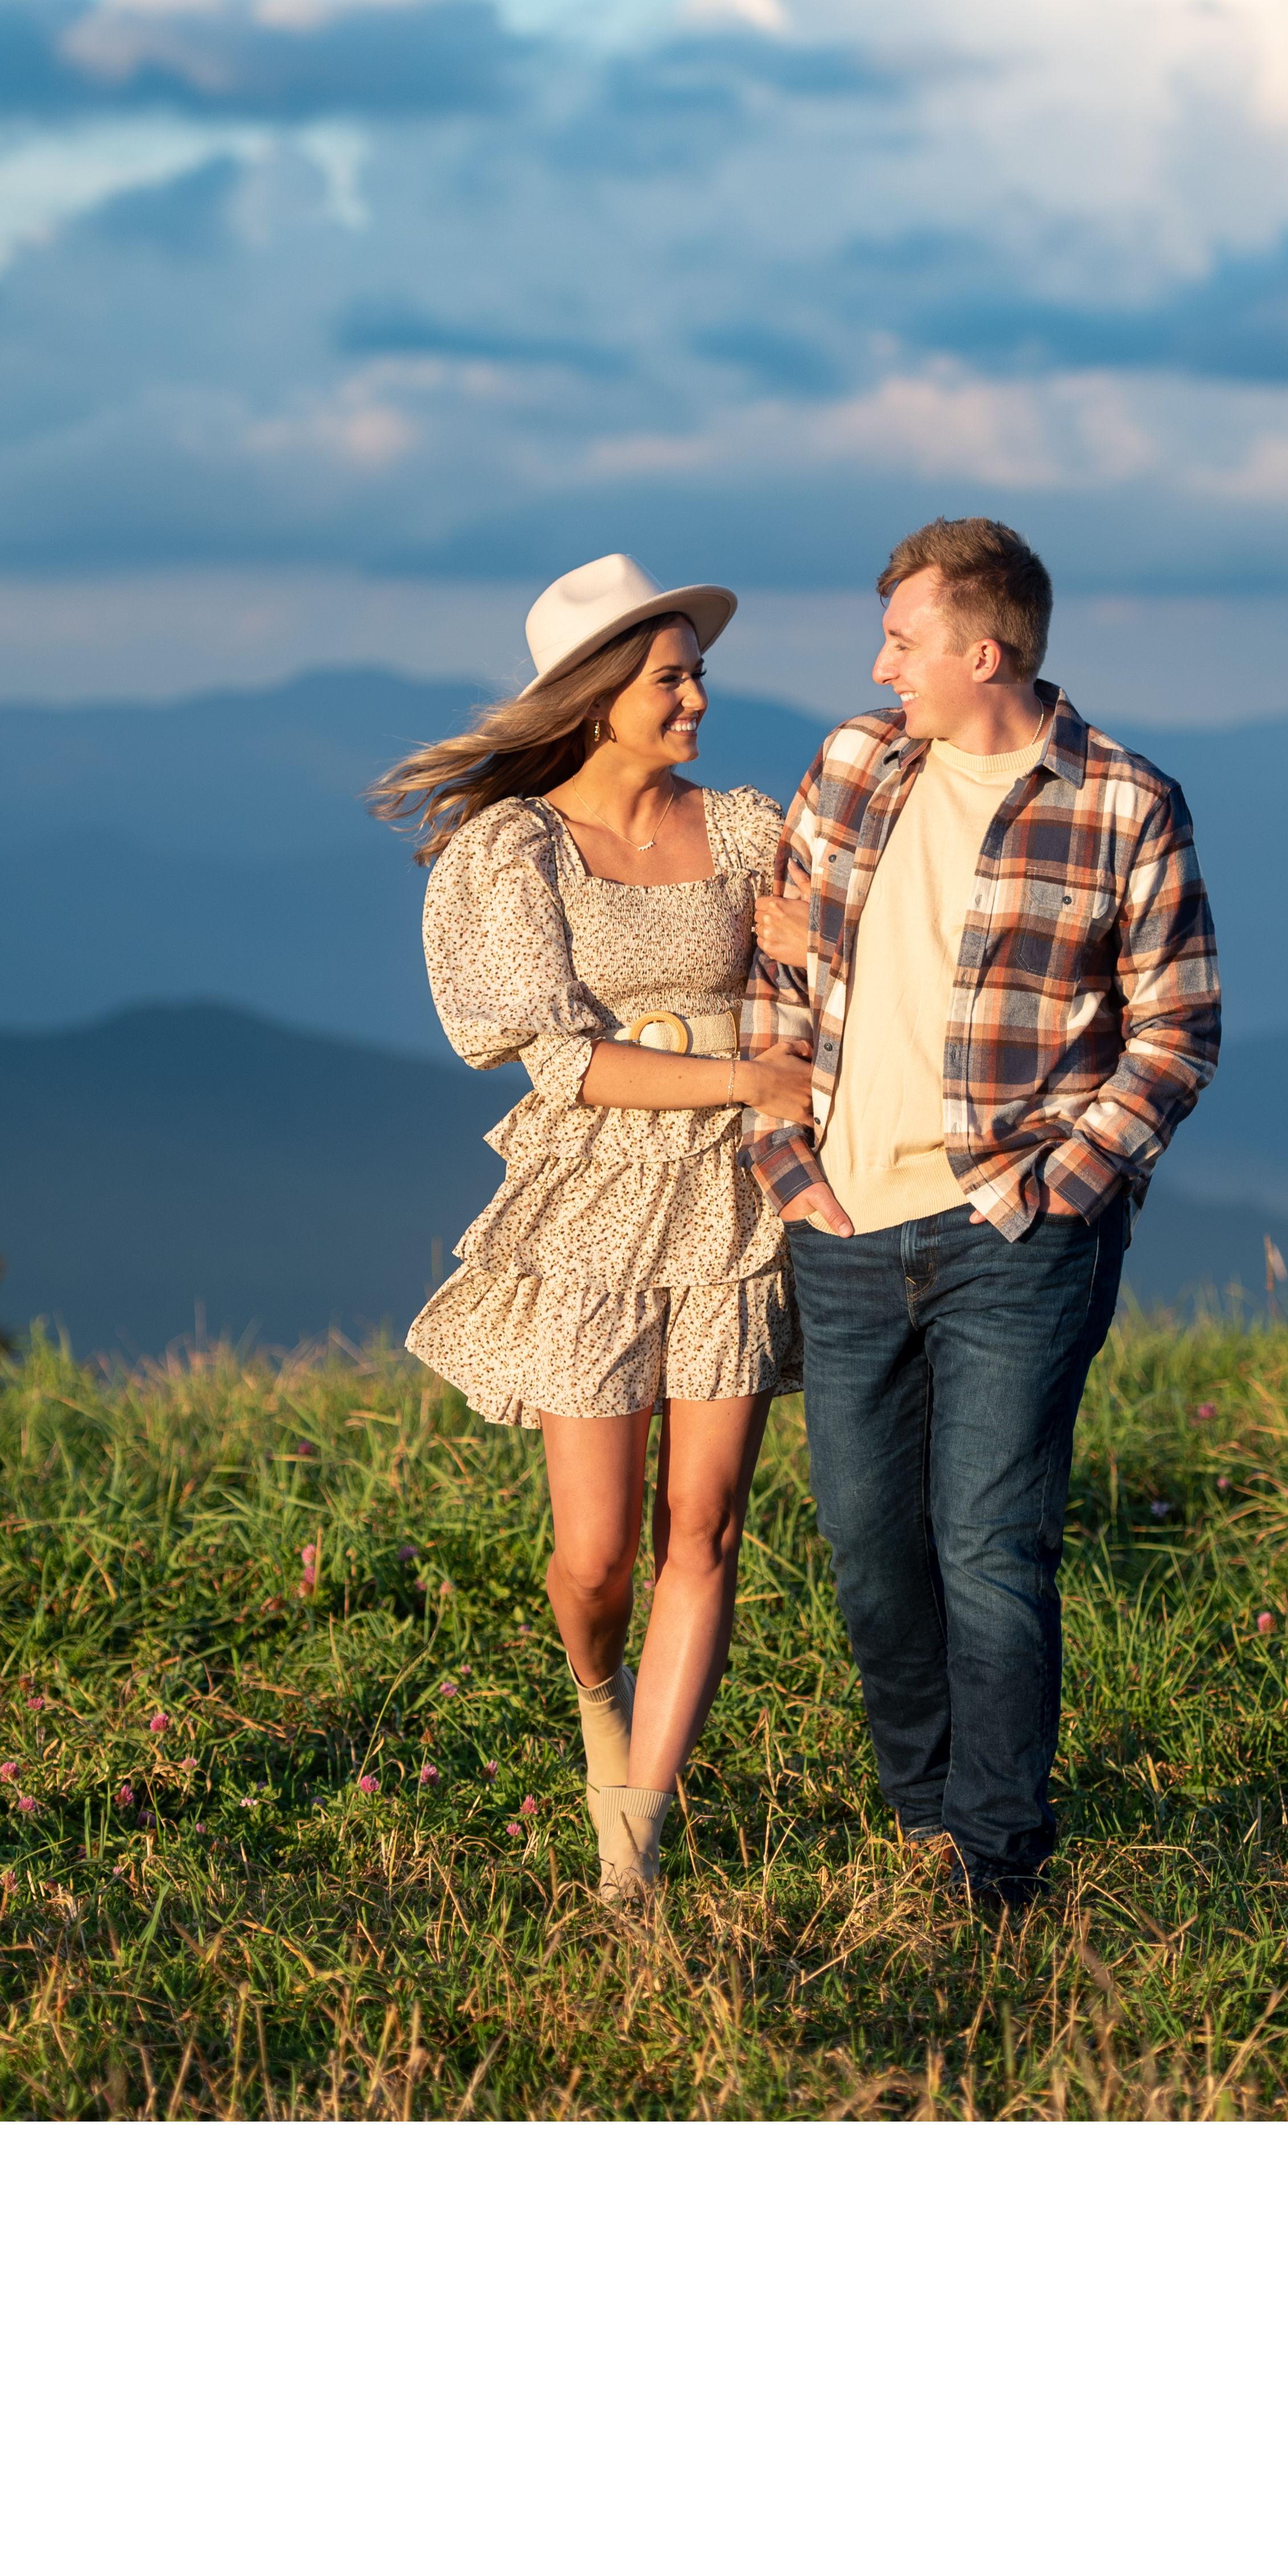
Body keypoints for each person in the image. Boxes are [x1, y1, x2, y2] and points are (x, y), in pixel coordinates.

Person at [740, 516, 1221, 1914]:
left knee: (992, 1549)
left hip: (1014, 1234)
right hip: (839, 1223)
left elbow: (1176, 1034)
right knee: (868, 1545)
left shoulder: (1128, 802)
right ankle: (925, 1812)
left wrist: (1056, 1197)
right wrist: (791, 1167)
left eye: (904, 639)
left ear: (984, 652)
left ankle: (1001, 1865)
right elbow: (783, 974)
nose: (880, 662)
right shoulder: (852, 767)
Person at [372, 555, 818, 1905]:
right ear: (598, 696)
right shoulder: (517, 850)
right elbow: (563, 1064)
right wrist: (749, 1074)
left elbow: (821, 961)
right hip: (593, 1203)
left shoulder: (741, 827)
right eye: (670, 678)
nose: (696, 697)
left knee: (710, 1522)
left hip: (739, 1200)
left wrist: (812, 957)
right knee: (597, 1554)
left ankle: (636, 1845)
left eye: (694, 673)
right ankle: (595, 1692)